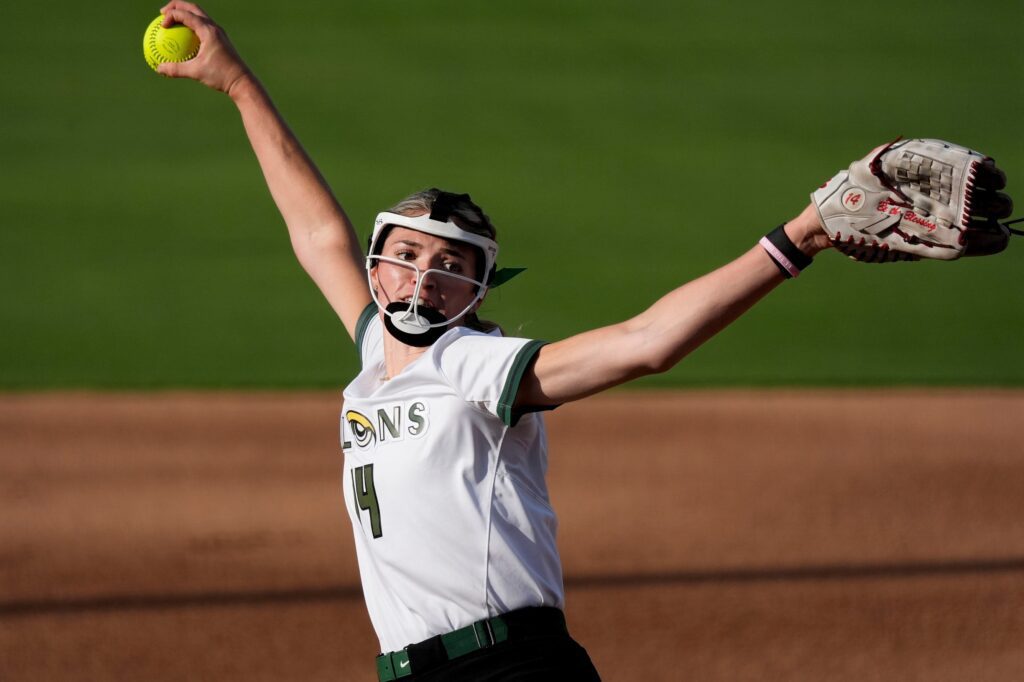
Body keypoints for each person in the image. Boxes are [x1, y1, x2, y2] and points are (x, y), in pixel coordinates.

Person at [153, 3, 1014, 680]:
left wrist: (798, 237)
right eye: (407, 256)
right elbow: (314, 233)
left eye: (451, 266)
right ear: (378, 268)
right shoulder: (375, 356)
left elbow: (647, 342)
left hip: (510, 669)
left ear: (479, 289)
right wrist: (234, 82)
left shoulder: (474, 364)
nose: (424, 278)